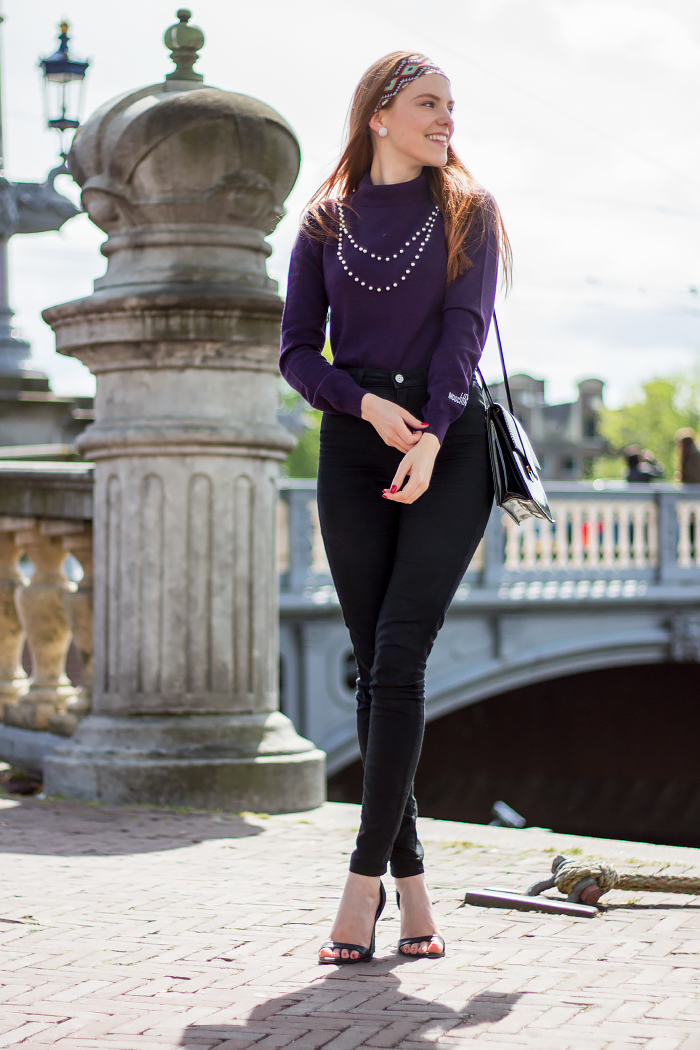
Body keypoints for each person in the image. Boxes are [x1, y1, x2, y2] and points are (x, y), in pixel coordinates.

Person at [280, 52, 511, 964]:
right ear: (379, 115)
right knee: (376, 669)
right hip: (354, 441)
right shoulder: (324, 223)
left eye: (451, 105)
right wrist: (365, 406)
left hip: (450, 447)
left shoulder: (469, 212)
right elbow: (296, 352)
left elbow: (467, 331)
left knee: (402, 654)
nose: (445, 118)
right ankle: (415, 896)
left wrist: (428, 431)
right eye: (427, 104)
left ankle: (359, 886)